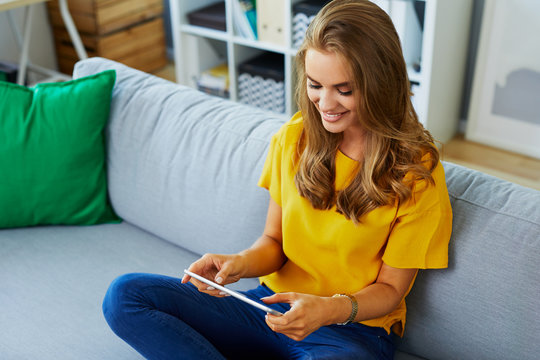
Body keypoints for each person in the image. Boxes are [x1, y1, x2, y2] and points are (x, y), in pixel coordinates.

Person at [102, 0, 452, 359]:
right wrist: (238, 263)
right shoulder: (296, 137)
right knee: (126, 296)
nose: (325, 102)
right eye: (316, 85)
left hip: (350, 332)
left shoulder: (417, 173)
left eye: (344, 89)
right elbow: (273, 241)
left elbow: (391, 290)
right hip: (267, 310)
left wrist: (327, 309)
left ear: (381, 83)